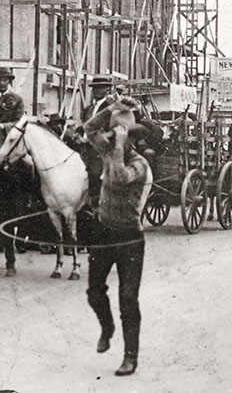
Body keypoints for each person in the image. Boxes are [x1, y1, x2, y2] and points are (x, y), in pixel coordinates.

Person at [83, 98, 153, 377]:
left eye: (118, 136)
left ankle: (130, 357)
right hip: (103, 233)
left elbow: (119, 178)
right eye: (111, 136)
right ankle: (107, 327)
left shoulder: (139, 164)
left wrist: (119, 146)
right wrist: (110, 110)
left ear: (130, 138)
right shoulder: (109, 150)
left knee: (128, 299)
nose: (110, 140)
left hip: (129, 238)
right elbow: (89, 130)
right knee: (94, 291)